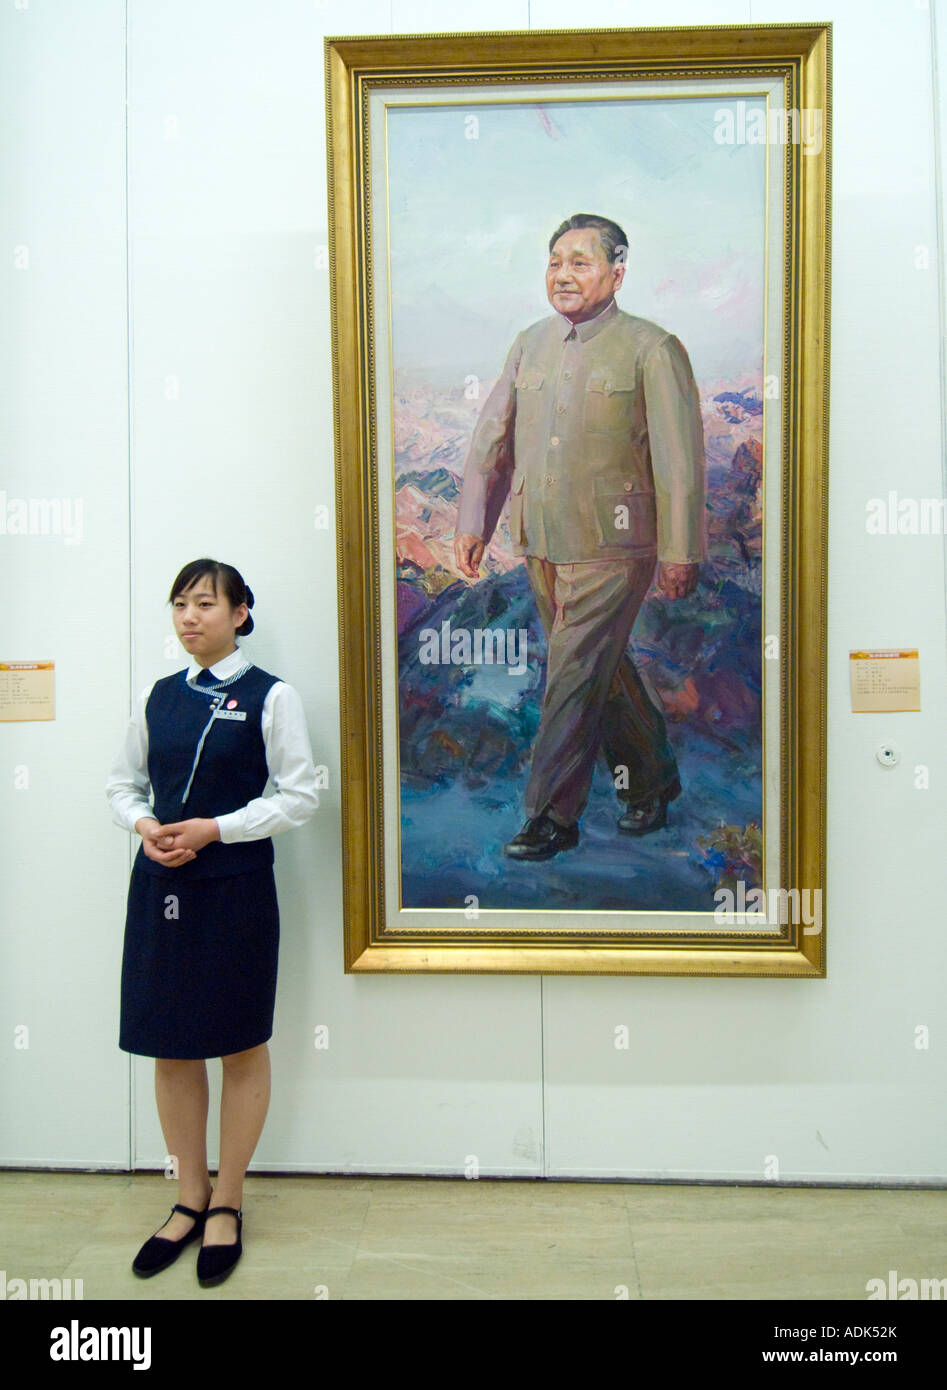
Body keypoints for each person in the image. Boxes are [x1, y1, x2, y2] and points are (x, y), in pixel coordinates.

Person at [453, 213, 706, 861]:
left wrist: (680, 549)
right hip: (542, 538)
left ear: (616, 274)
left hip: (615, 546)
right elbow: (492, 439)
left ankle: (549, 816)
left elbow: (679, 461)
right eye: (554, 261)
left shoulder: (652, 347)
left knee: (569, 674)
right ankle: (650, 778)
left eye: (580, 262)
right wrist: (474, 523)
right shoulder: (528, 343)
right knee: (599, 667)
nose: (563, 275)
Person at [106, 559, 319, 1285]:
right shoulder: (157, 696)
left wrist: (214, 830)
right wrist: (143, 824)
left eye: (204, 603)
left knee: (237, 1041)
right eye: (179, 605)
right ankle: (187, 1198)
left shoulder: (271, 696)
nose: (188, 617)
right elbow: (121, 781)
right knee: (171, 1041)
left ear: (241, 613)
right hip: (159, 882)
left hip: (234, 887)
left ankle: (228, 1202)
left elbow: (299, 796)